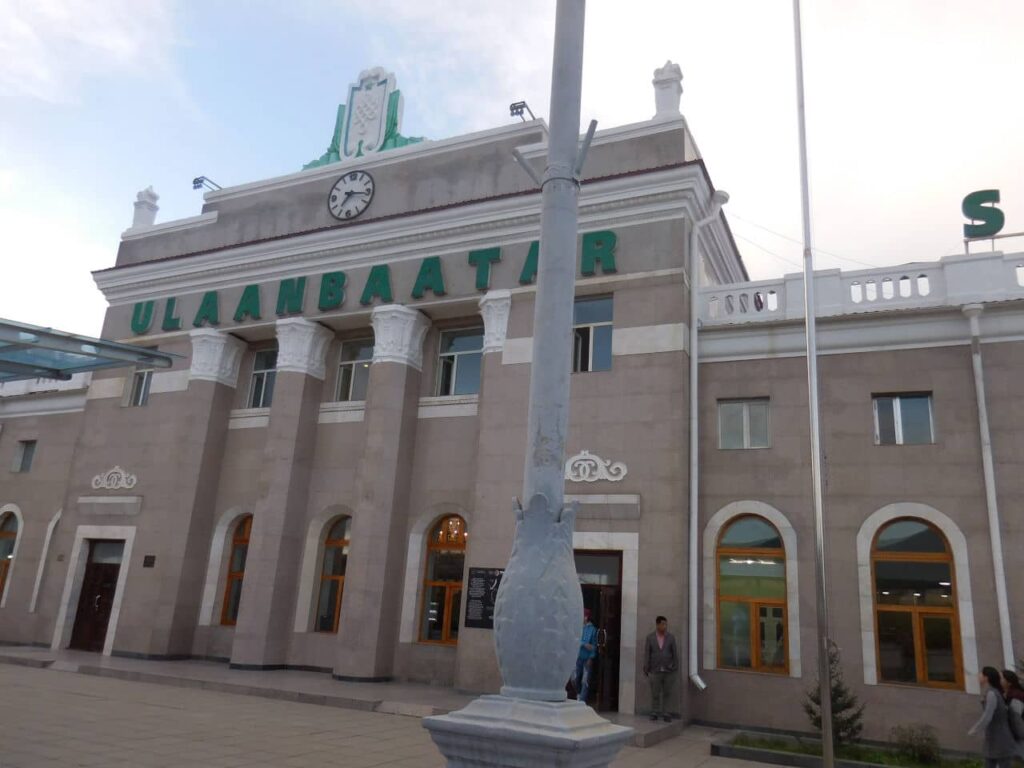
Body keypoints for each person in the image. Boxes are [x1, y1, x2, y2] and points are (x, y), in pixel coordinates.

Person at [969, 666, 1017, 768]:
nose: (978, 676)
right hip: (992, 738)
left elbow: (988, 716)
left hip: (1001, 738)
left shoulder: (992, 693)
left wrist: (975, 729)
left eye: (981, 674)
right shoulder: (993, 692)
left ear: (986, 678)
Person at [643, 615, 679, 723]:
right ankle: (654, 712)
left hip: (668, 670)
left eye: (666, 624)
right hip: (655, 669)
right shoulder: (650, 637)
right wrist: (646, 667)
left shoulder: (671, 637)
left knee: (667, 692)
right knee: (655, 693)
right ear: (657, 625)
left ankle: (666, 713)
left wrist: (675, 666)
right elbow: (647, 653)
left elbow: (674, 653)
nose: (665, 626)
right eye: (663, 624)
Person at [573, 608, 597, 705]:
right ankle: (578, 693)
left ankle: (582, 701)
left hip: (587, 658)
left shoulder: (592, 630)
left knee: (585, 680)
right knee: (574, 678)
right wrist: (584, 644)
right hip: (577, 657)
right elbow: (575, 641)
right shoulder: (577, 628)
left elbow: (593, 646)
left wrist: (591, 657)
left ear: (586, 617)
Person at [1000, 669, 1024, 748]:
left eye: (1001, 678)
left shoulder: (1016, 696)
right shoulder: (1004, 695)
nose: (999, 680)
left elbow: (1017, 720)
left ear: (1009, 683)